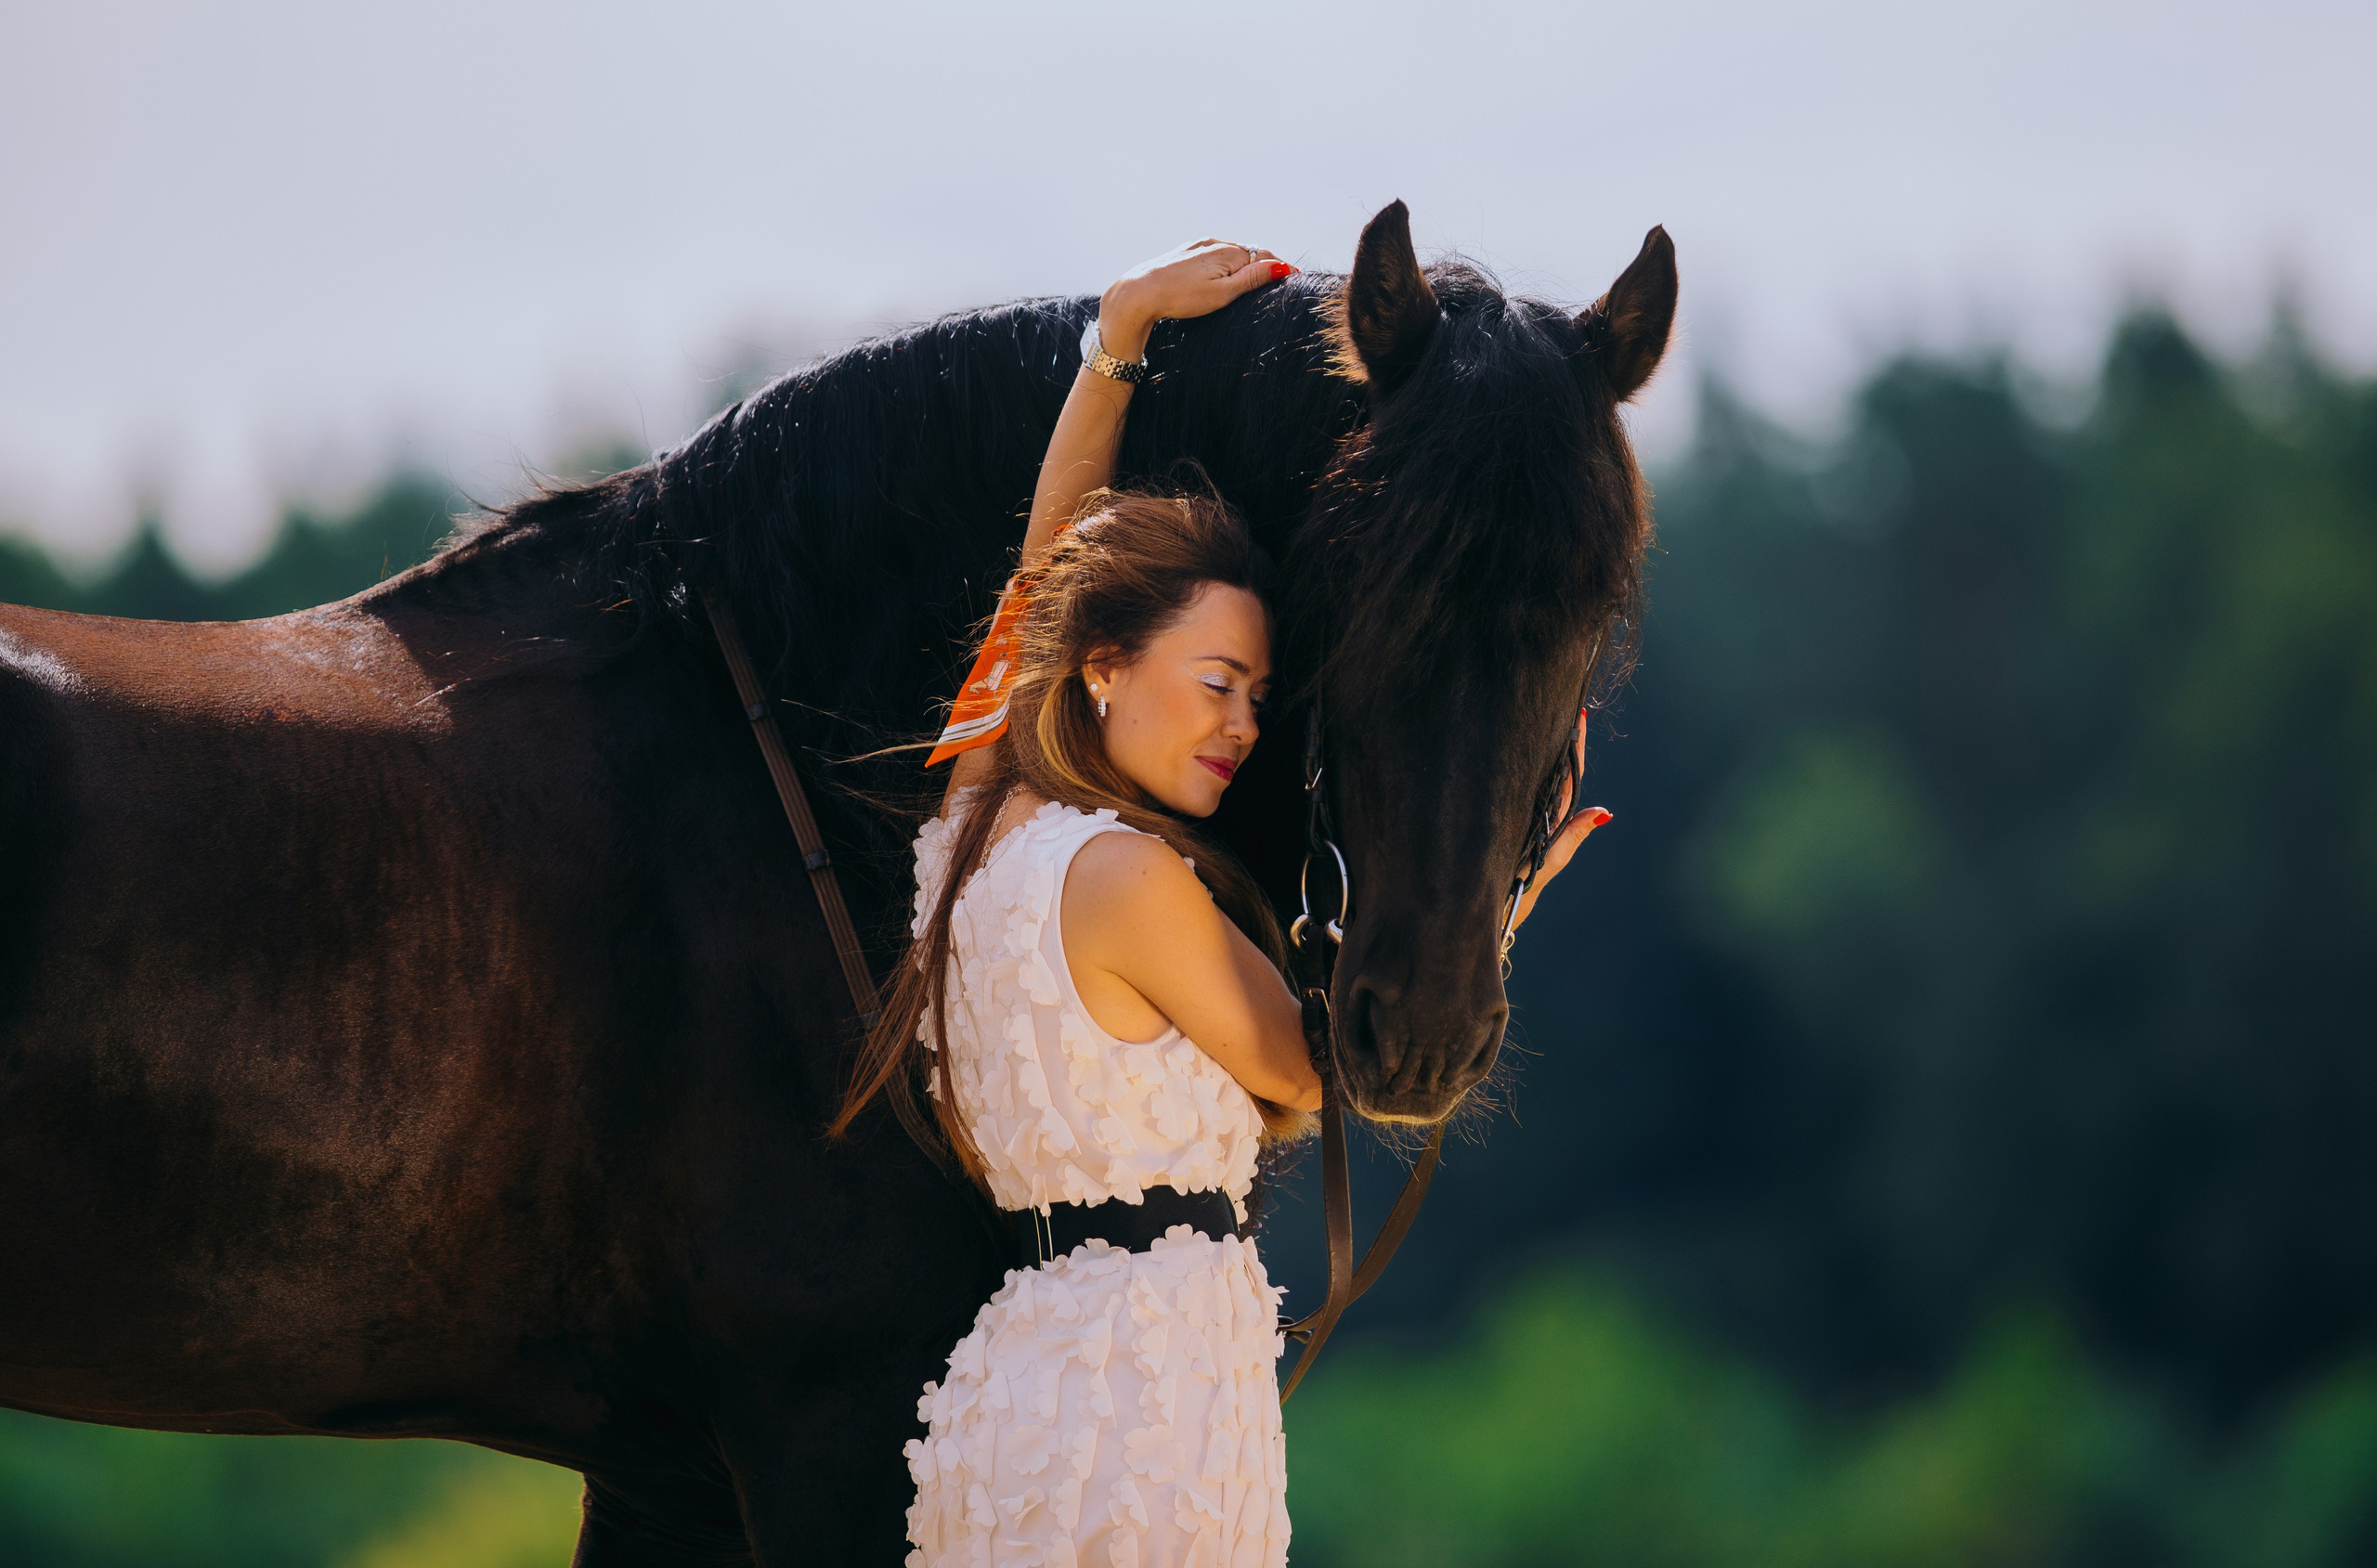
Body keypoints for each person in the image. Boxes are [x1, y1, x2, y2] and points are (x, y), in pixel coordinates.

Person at [829, 239, 1604, 1568]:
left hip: (1034, 1389)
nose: (1244, 726)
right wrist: (1502, 906)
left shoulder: (975, 814)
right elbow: (1315, 1071)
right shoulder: (1133, 883)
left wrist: (1117, 341)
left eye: (1257, 690)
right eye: (1218, 683)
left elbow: (1045, 579)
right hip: (1140, 1417)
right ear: (1109, 671)